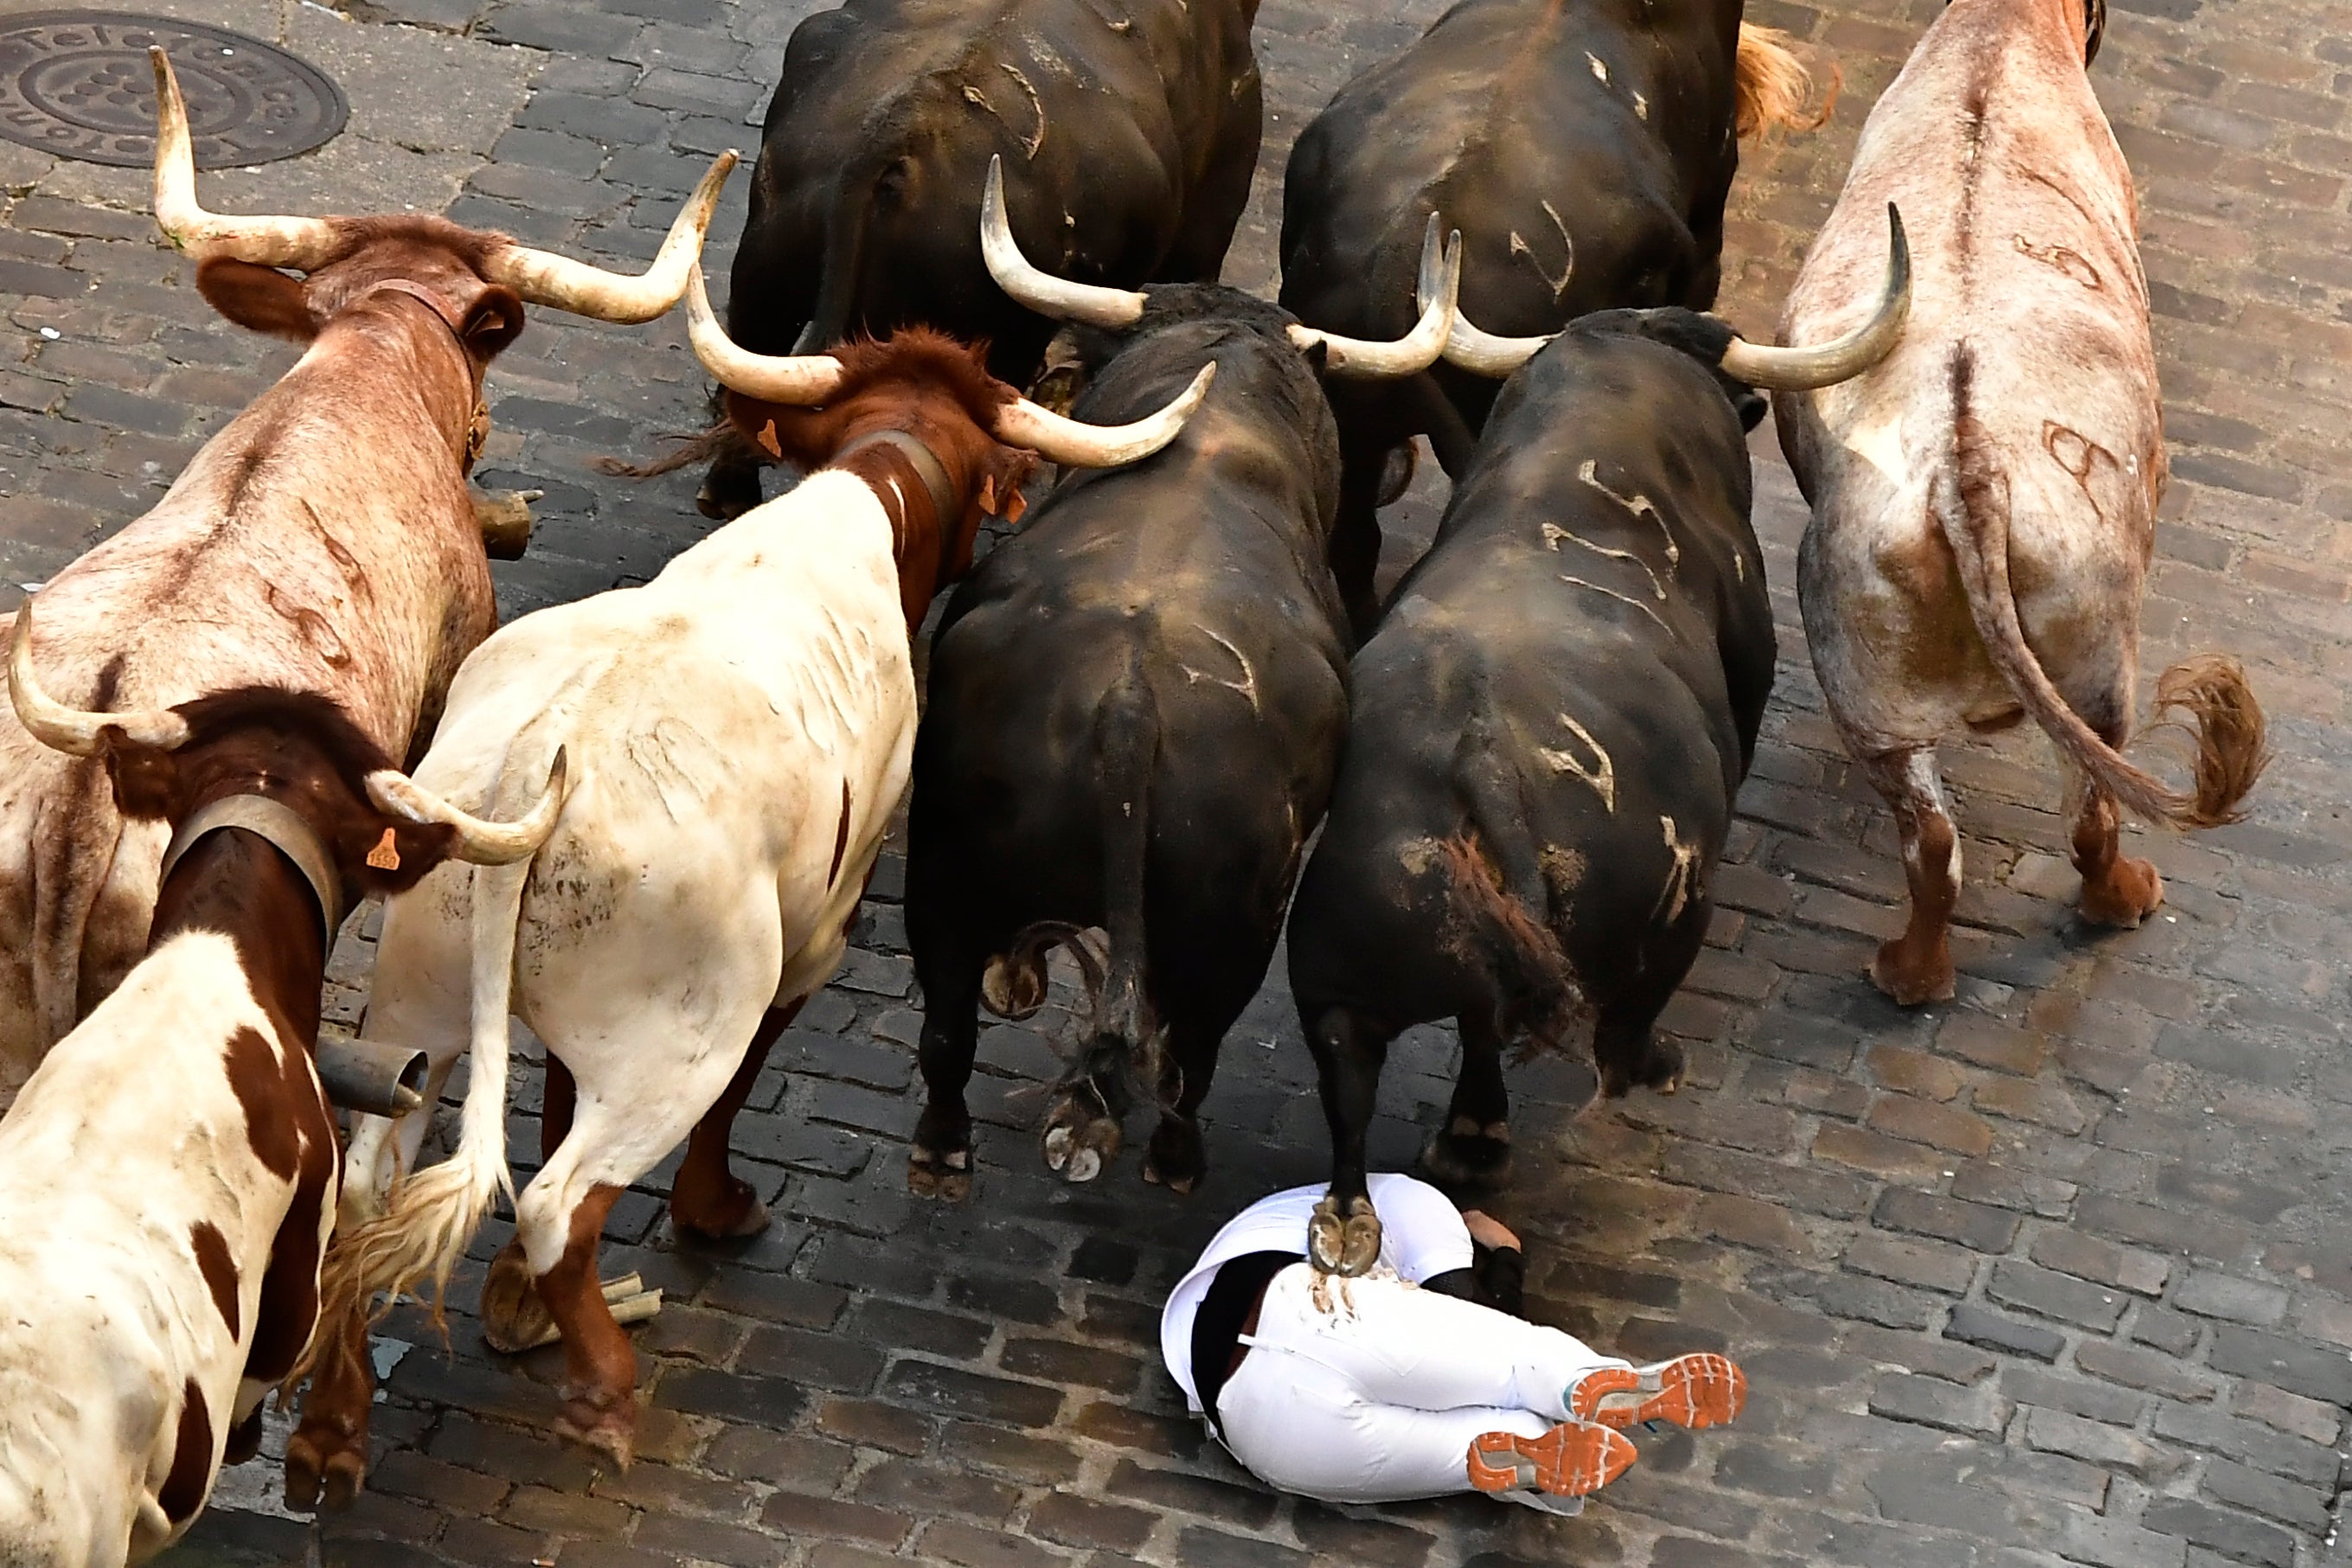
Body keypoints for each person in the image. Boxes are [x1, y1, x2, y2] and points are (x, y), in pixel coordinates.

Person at [1160, 1173, 1746, 1511]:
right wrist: (1506, 1251)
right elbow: (1469, 1306)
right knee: (1517, 1361)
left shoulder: (1295, 1213)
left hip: (1256, 1426)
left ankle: (1537, 1450)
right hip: (1315, 1309)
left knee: (1468, 1445)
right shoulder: (1413, 1198)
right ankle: (1580, 1384)